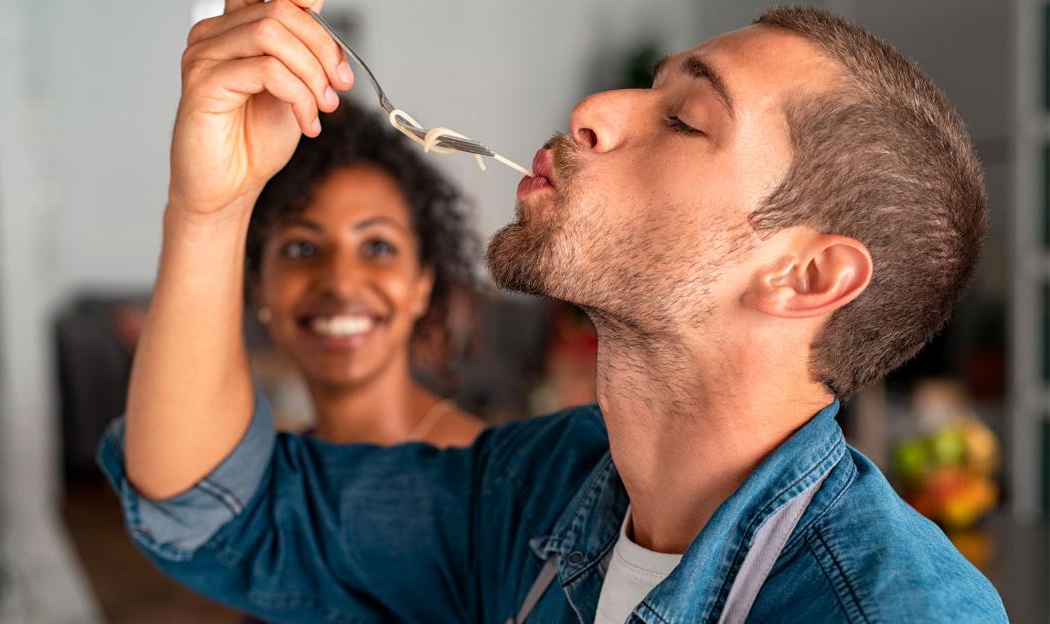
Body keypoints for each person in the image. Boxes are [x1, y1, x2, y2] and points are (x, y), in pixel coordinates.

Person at [98, 1, 1007, 622]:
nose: (593, 111)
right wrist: (212, 207)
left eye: (685, 120)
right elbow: (220, 511)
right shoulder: (544, 486)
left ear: (804, 278)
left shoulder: (892, 609)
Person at [245, 102, 484, 447]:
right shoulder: (269, 471)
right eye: (302, 248)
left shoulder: (487, 479)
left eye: (378, 248)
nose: (340, 284)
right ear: (258, 286)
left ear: (423, 283)